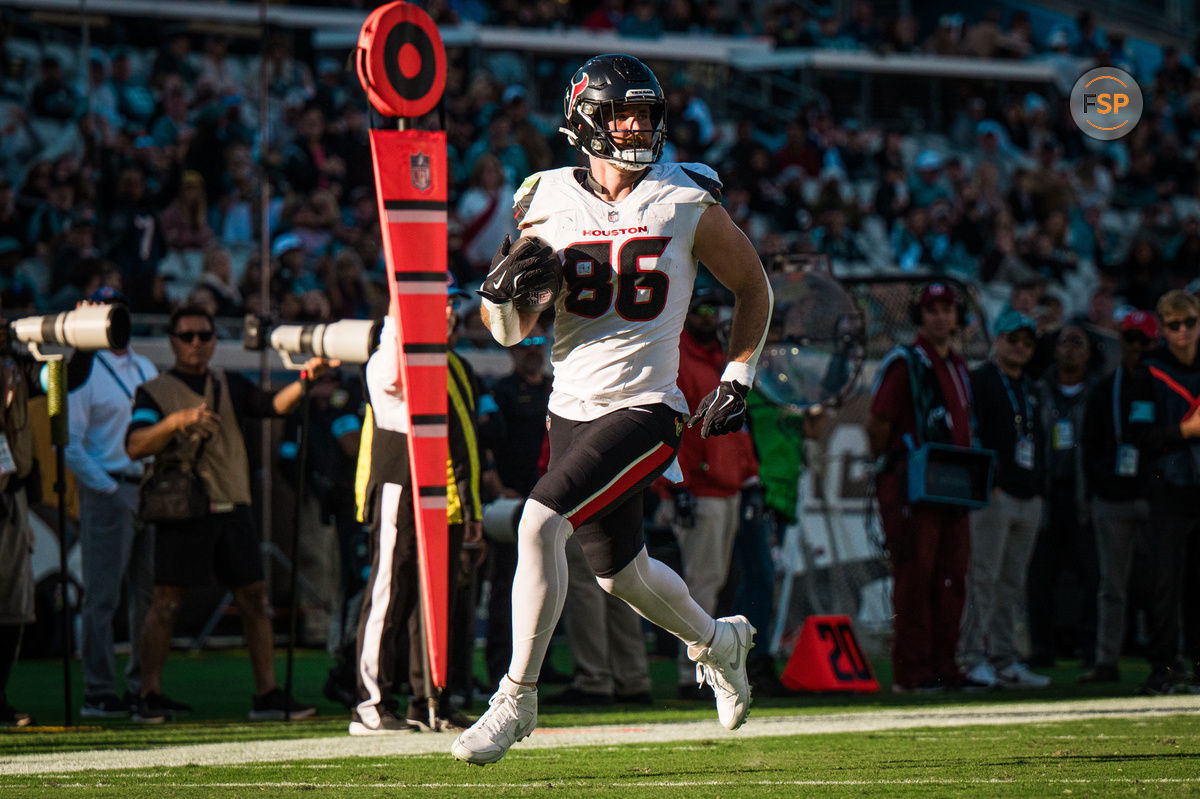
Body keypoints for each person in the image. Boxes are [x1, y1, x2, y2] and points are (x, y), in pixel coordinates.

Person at [452, 53, 773, 765]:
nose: (637, 126)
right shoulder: (543, 198)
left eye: (645, 114)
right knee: (619, 573)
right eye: (624, 113)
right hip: (571, 410)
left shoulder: (684, 197)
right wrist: (498, 300)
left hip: (649, 407)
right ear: (586, 119)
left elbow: (754, 286)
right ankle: (720, 641)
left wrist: (738, 374)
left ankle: (516, 695)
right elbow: (512, 331)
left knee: (539, 523)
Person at [125, 305, 324, 722]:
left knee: (255, 598)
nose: (196, 343)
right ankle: (149, 694)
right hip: (183, 509)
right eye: (187, 335)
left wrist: (307, 378)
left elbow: (271, 405)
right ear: (173, 341)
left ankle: (267, 693)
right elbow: (135, 444)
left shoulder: (229, 382)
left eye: (203, 335)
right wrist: (176, 422)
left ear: (215, 340)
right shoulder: (155, 391)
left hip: (233, 502)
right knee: (165, 601)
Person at [867, 283, 974, 692]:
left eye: (947, 309)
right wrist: (897, 467)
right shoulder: (905, 362)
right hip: (913, 485)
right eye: (932, 310)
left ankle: (945, 665)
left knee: (951, 577)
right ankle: (912, 672)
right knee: (916, 576)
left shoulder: (959, 366)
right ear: (920, 316)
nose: (941, 317)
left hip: (953, 484)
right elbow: (877, 425)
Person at [64, 288, 160, 718]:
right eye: (105, 311)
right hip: (113, 487)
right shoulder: (83, 369)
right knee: (102, 596)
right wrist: (106, 487)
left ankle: (143, 687)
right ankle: (98, 691)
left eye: (118, 310)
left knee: (149, 596)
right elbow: (68, 441)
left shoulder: (145, 365)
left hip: (149, 487)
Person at [0, 311, 96, 727]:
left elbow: (62, 382)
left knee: (12, 609)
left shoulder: (17, 365)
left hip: (11, 496)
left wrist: (86, 337)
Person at [669, 290, 759, 699]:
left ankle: (707, 664)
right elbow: (678, 428)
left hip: (726, 486)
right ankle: (692, 674)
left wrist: (749, 475)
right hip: (701, 489)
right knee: (699, 584)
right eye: (700, 308)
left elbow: (738, 428)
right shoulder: (682, 360)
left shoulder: (721, 362)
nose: (708, 316)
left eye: (714, 309)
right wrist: (678, 486)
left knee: (715, 581)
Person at [959, 310, 1051, 689]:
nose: (1020, 348)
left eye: (1027, 343)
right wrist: (988, 482)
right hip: (993, 494)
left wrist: (1039, 487)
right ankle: (971, 657)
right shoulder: (980, 380)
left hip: (1027, 495)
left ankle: (1005, 658)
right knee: (983, 577)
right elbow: (970, 431)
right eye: (1013, 339)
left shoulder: (1032, 387)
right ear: (997, 340)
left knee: (1013, 582)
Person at [1078, 310, 1159, 683]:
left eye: (1145, 341)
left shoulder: (1166, 387)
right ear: (1121, 342)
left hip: (1157, 500)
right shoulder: (1104, 388)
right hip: (1113, 499)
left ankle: (1166, 660)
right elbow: (1089, 445)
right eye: (1131, 339)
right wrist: (1098, 490)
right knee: (1111, 586)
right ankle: (1106, 660)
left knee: (1162, 584)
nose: (1137, 348)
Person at [1028, 321, 1103, 668]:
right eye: (1064, 342)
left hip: (1084, 495)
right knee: (1040, 576)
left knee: (1092, 576)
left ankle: (1091, 649)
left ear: (1089, 353)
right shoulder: (1038, 390)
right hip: (1045, 494)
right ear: (1054, 350)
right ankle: (1042, 650)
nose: (1070, 348)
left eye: (1078, 342)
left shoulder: (1099, 392)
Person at [1138, 290, 1200, 694]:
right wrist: (1185, 432)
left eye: (1190, 323)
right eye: (1174, 325)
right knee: (1163, 584)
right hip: (1167, 489)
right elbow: (1138, 436)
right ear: (1161, 328)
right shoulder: (1148, 372)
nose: (1182, 331)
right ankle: (1164, 667)